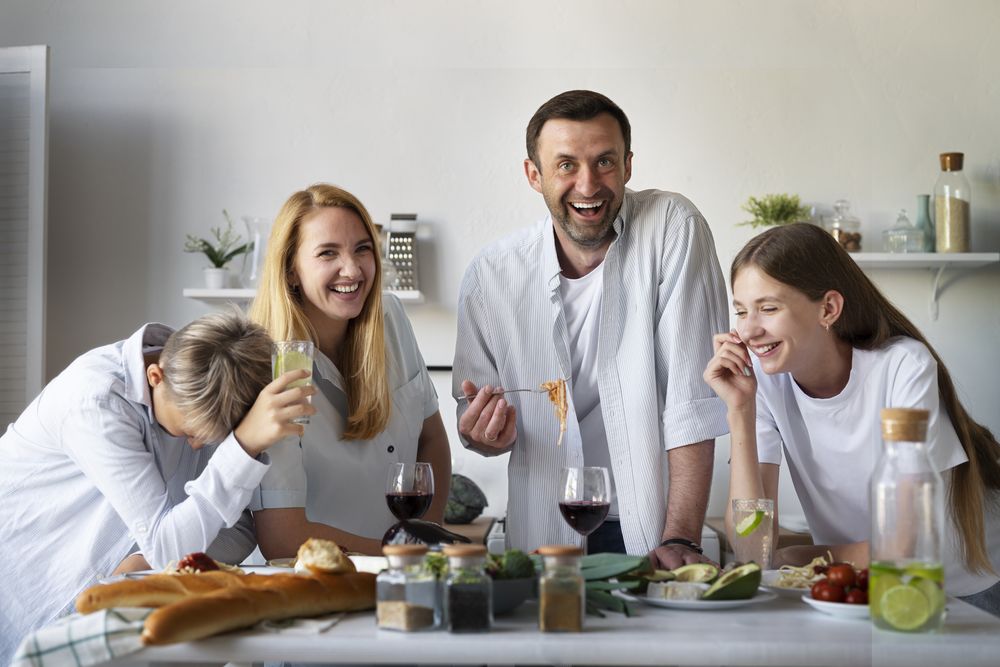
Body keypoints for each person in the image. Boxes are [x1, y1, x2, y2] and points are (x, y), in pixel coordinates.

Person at [453, 90, 729, 567]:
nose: (587, 184)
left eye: (604, 161)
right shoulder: (490, 275)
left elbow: (693, 399)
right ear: (533, 175)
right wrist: (483, 434)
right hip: (543, 533)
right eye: (565, 165)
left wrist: (681, 537)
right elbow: (474, 425)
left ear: (627, 165)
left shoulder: (672, 228)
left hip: (652, 530)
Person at [704, 222, 1000, 614]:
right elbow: (751, 548)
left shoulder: (902, 367)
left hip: (966, 588)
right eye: (741, 310)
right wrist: (739, 411)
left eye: (768, 308)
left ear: (828, 308)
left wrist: (797, 555)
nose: (748, 330)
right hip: (860, 583)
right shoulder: (763, 384)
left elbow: (903, 548)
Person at [0, 311, 312, 662]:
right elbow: (168, 548)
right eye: (189, 431)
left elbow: (239, 526)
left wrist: (144, 559)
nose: (197, 446)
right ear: (155, 376)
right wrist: (241, 448)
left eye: (214, 438)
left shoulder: (212, 387)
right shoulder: (95, 402)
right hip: (23, 584)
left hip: (102, 606)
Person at [248, 183, 451, 557]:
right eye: (328, 253)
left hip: (405, 571)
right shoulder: (266, 370)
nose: (353, 269)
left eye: (362, 249)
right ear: (291, 270)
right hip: (323, 583)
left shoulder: (390, 317)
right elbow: (283, 537)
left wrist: (427, 537)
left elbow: (431, 439)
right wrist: (401, 556)